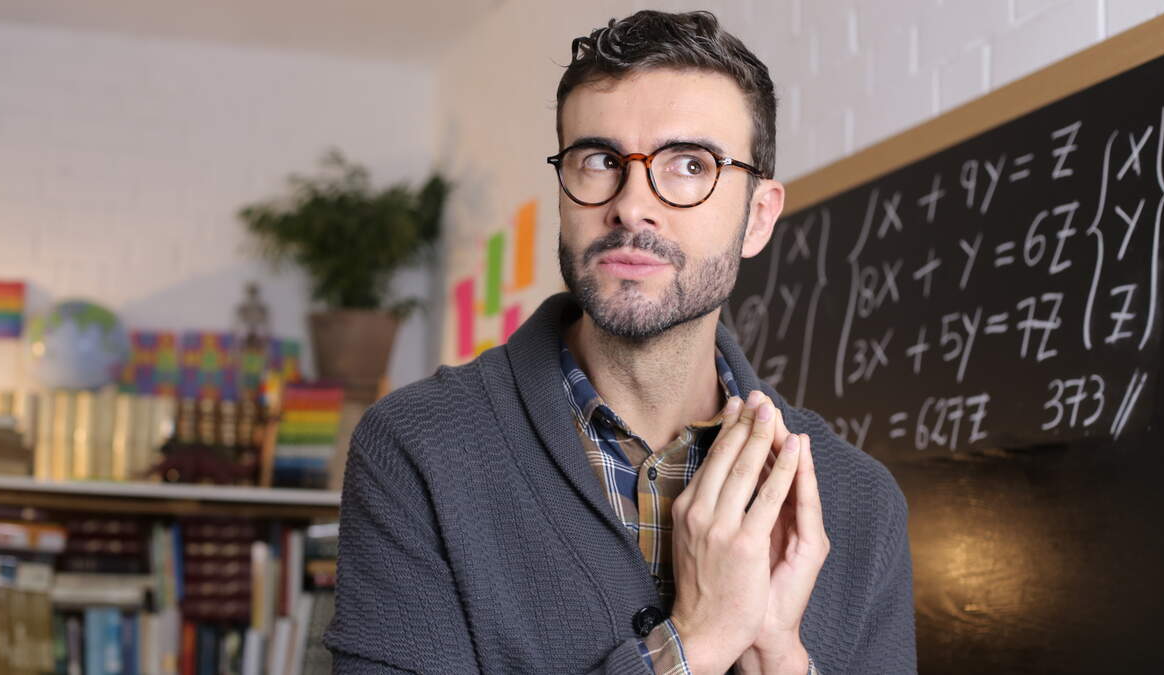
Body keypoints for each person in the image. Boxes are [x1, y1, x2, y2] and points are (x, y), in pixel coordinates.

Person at [325, 10, 915, 674]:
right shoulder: (418, 450)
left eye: (689, 164)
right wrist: (697, 641)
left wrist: (777, 658)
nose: (632, 205)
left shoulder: (860, 503)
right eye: (601, 160)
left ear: (757, 218)